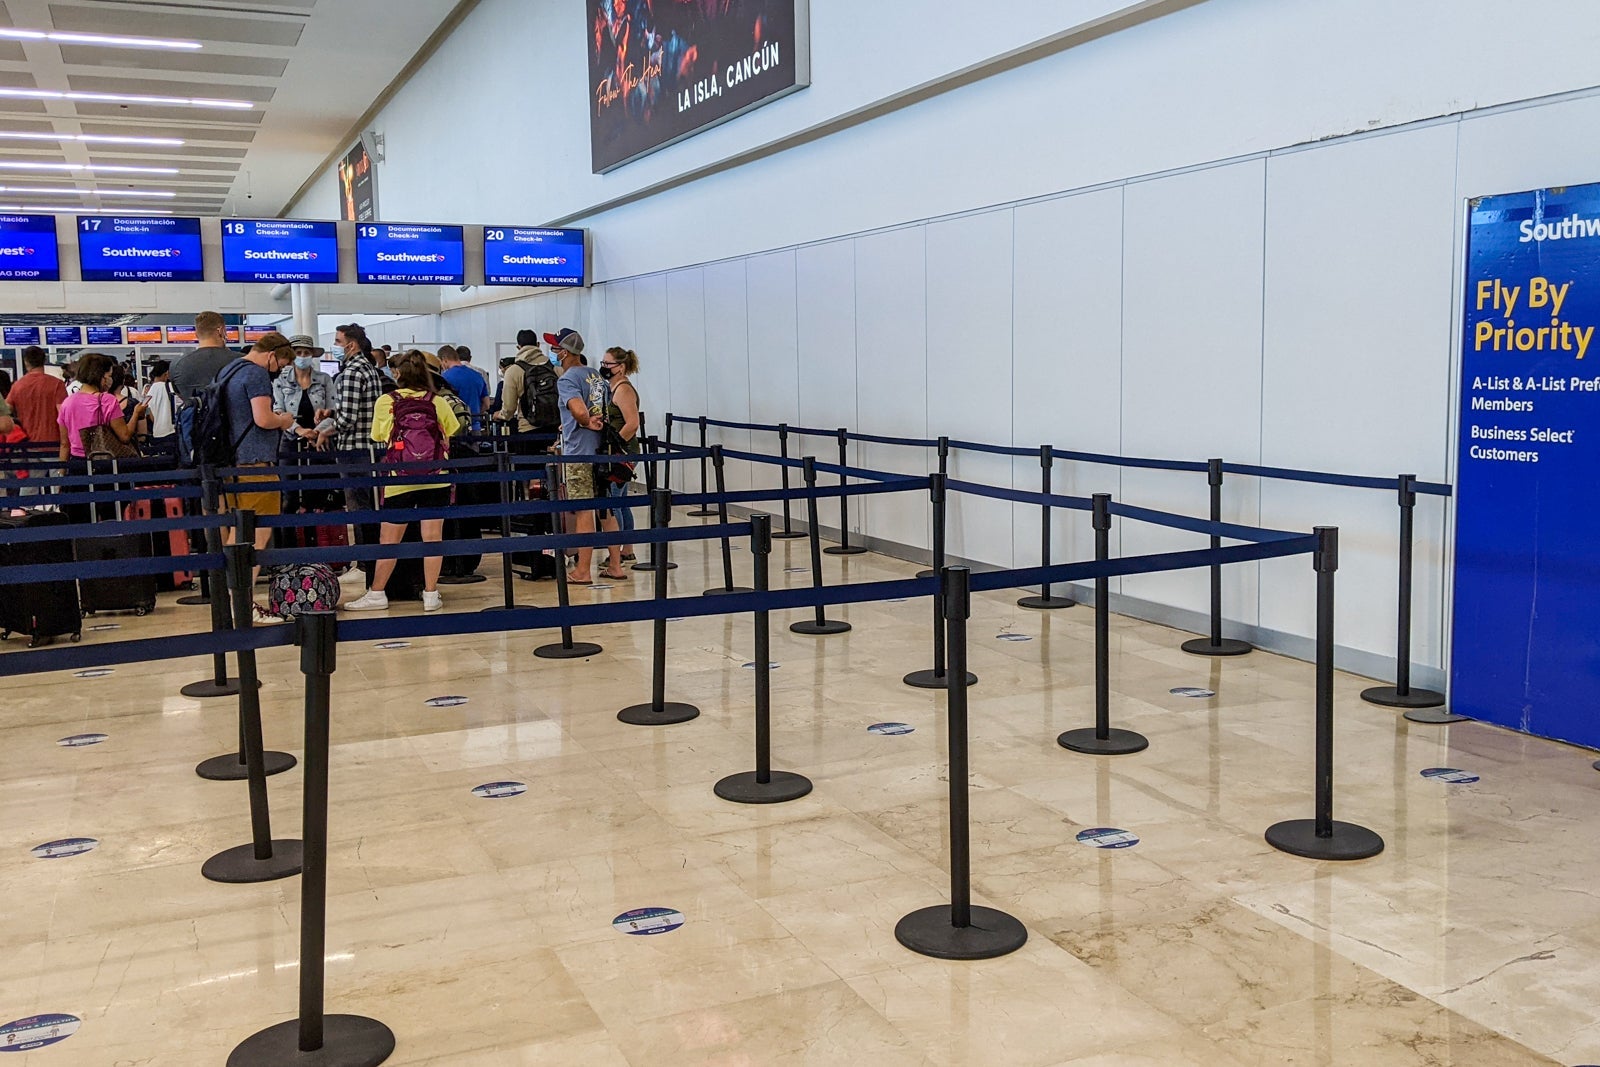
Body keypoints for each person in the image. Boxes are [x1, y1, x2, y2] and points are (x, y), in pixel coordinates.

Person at [344, 351, 461, 613]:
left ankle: (377, 592)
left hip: (400, 478)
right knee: (432, 538)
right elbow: (452, 431)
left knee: (390, 540)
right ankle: (431, 594)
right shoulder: (438, 401)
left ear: (398, 374)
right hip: (436, 477)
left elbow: (377, 436)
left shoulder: (386, 401)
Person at [218, 332, 299, 623]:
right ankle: (243, 601)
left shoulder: (230, 369)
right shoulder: (256, 375)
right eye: (281, 363)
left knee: (234, 534)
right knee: (257, 533)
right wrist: (284, 420)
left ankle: (232, 599)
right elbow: (263, 419)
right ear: (271, 354)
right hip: (256, 464)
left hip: (231, 464)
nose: (278, 370)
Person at [551, 328, 625, 583]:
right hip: (600, 452)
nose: (554, 354)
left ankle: (582, 571)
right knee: (606, 511)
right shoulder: (596, 376)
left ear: (565, 352)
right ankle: (616, 566)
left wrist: (582, 421)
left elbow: (579, 410)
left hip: (579, 454)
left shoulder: (567, 379)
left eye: (555, 349)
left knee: (584, 512)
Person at [56, 352, 145, 464]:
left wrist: (61, 473)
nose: (110, 380)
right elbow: (125, 436)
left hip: (77, 464)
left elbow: (64, 444)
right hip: (103, 462)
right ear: (100, 376)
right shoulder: (107, 400)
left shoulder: (67, 403)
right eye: (109, 375)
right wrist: (136, 414)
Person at [600, 347, 643, 562]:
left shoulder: (623, 390)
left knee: (613, 501)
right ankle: (627, 549)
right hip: (620, 451)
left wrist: (615, 446)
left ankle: (616, 553)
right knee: (622, 501)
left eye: (608, 364)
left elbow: (632, 423)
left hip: (623, 452)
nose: (604, 367)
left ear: (621, 367)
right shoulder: (613, 387)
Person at [274, 335, 337, 453]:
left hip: (321, 438)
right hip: (290, 439)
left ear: (312, 354)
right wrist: (299, 430)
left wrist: (316, 432)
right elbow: (278, 411)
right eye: (298, 352)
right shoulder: (281, 380)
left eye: (306, 352)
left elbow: (333, 409)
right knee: (288, 471)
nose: (302, 356)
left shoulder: (324, 379)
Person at [168, 311, 236, 403]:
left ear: (196, 334)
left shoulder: (177, 365)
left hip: (193, 416)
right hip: (234, 416)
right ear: (221, 330)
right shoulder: (240, 361)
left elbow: (180, 395)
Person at [6, 346, 67, 447]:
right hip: (53, 445)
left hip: (26, 445)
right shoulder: (57, 384)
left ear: (25, 362)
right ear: (44, 360)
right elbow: (64, 415)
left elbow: (5, 411)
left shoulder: (18, 386)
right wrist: (66, 445)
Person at [440, 344, 488, 431]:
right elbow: (486, 404)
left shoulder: (444, 377)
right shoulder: (478, 376)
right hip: (475, 427)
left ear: (444, 360)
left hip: (455, 427)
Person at [143, 360, 179, 443]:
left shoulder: (149, 391)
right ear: (166, 373)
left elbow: (150, 415)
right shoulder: (171, 387)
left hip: (157, 433)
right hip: (171, 431)